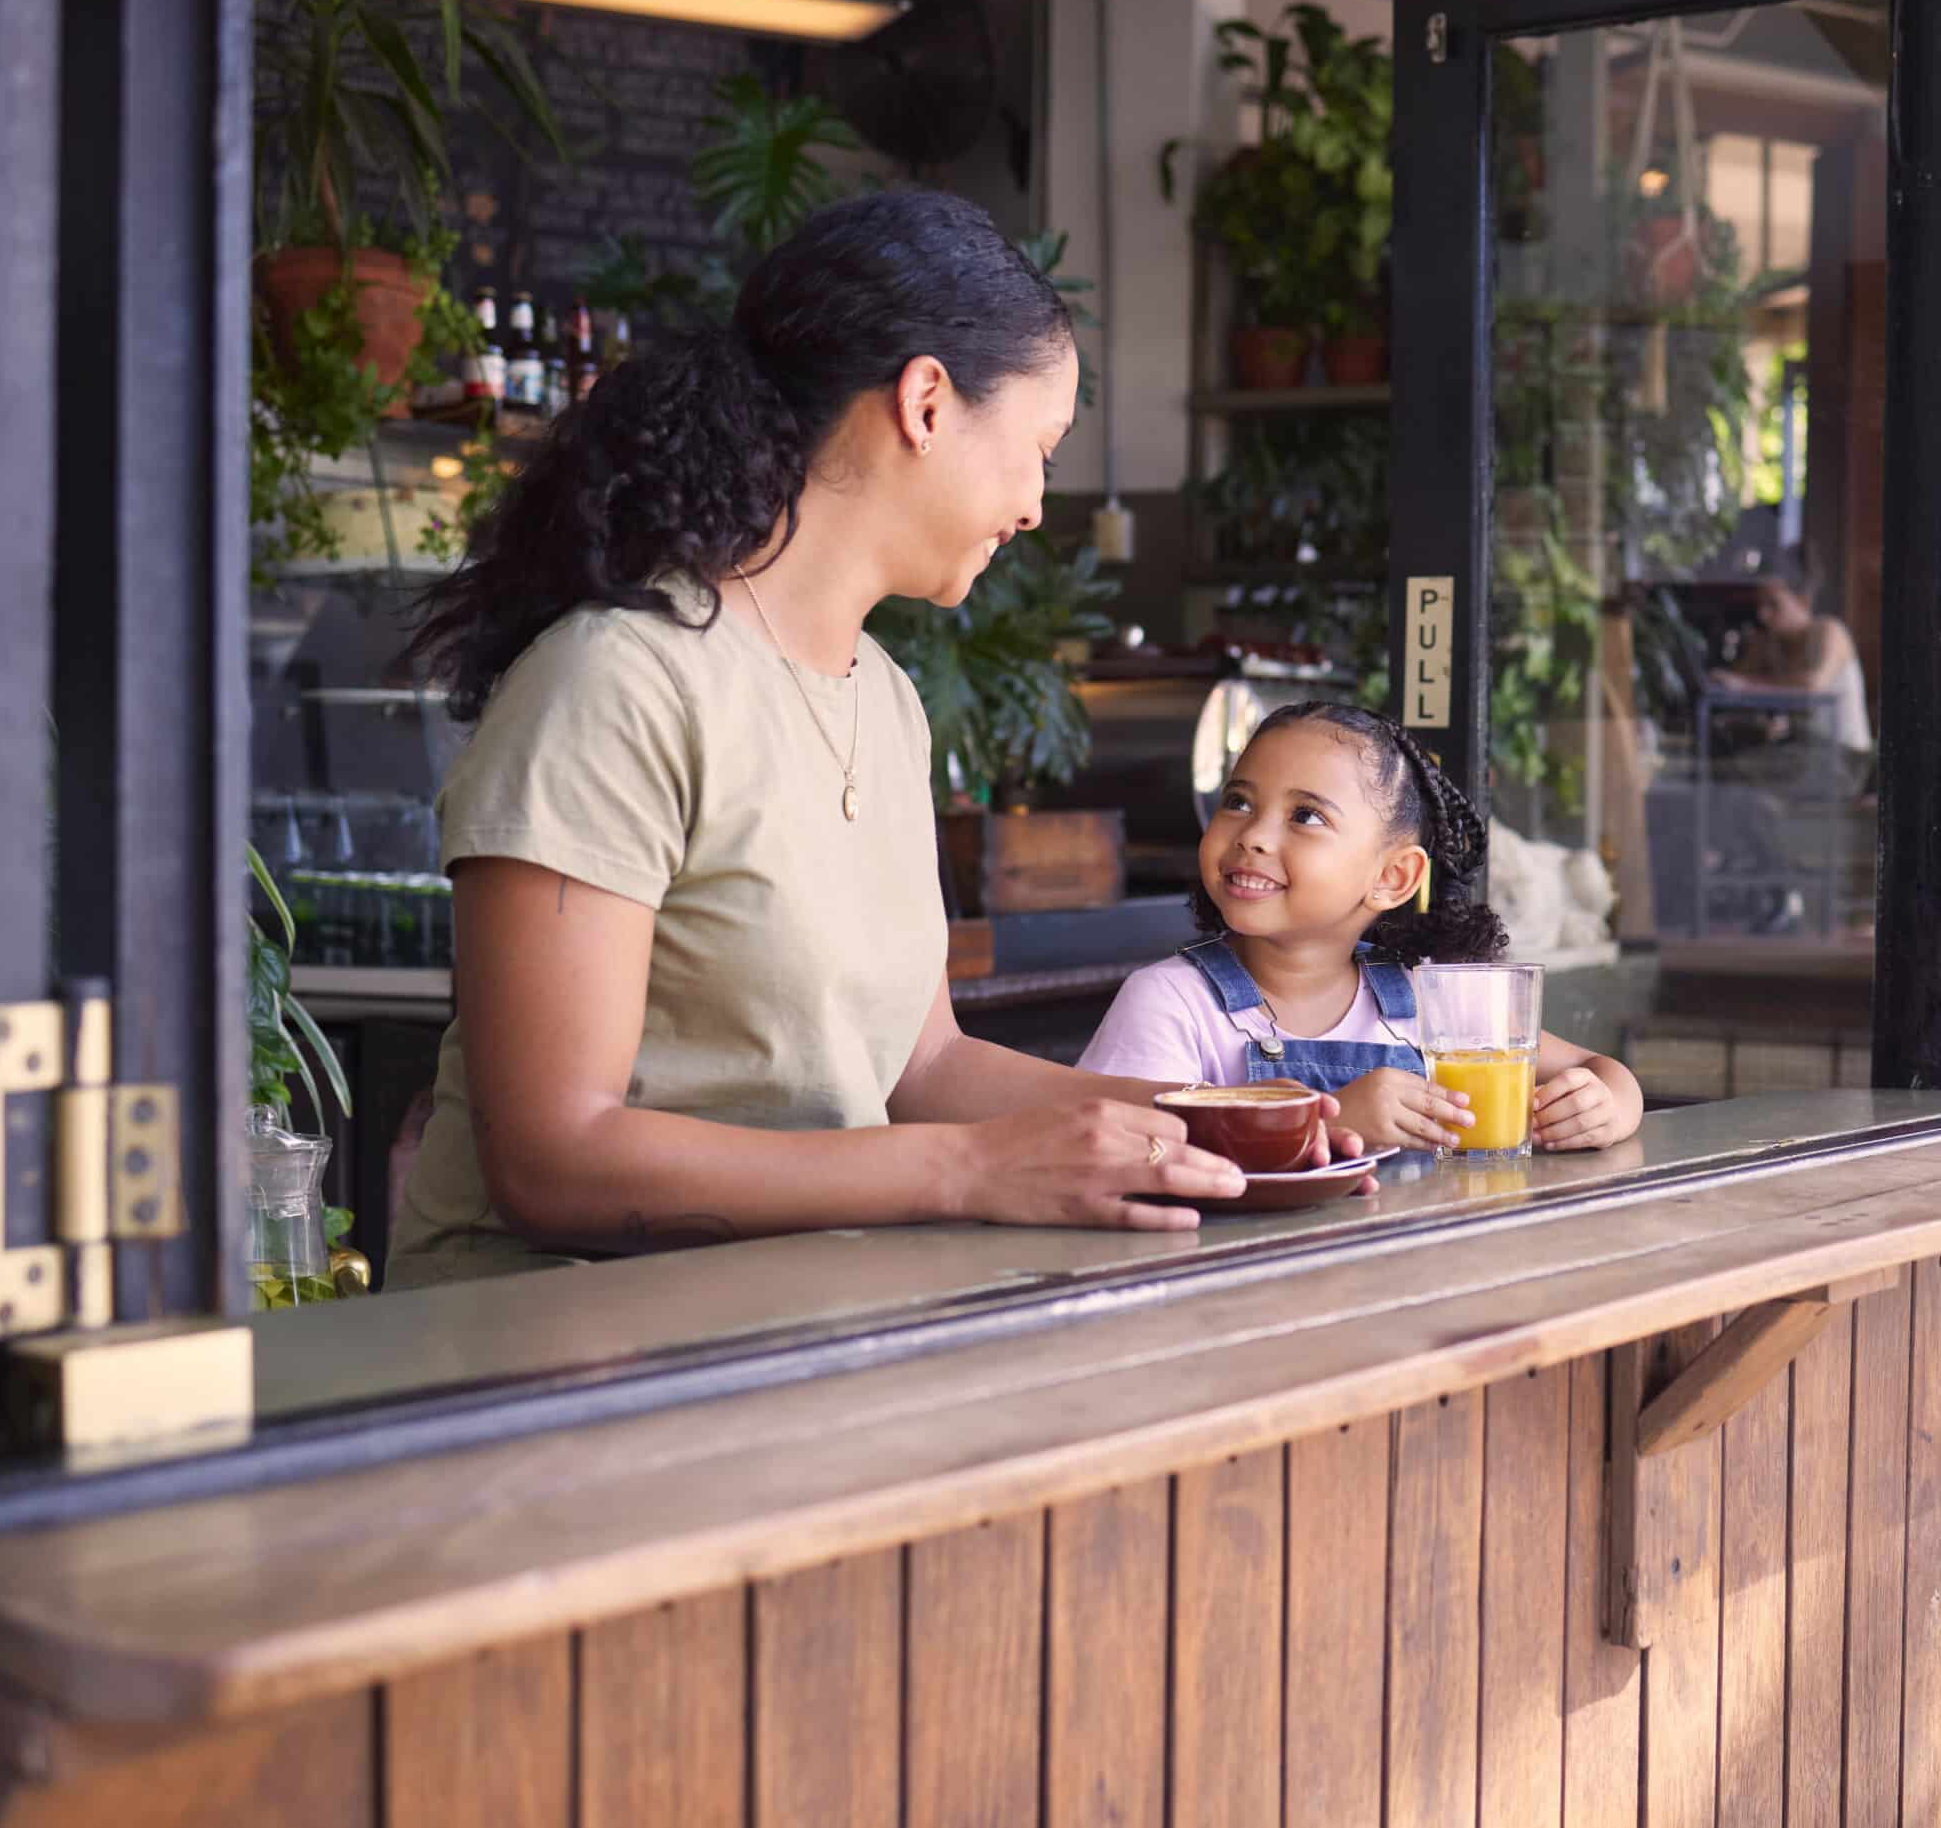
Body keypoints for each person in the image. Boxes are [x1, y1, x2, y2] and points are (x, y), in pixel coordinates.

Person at [388, 193, 1360, 1286]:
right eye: (1039, 448)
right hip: (548, 1366)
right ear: (927, 403)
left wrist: (1220, 1123)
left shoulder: (885, 699)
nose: (1039, 506)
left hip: (800, 1328)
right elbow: (555, 1159)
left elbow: (923, 1064)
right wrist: (966, 1171)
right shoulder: (615, 683)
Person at [1079, 704, 1646, 1155]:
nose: (1252, 835)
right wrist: (1328, 1124)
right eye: (1238, 801)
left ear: (1393, 876)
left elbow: (1598, 1070)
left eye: (1306, 816)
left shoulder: (1427, 1002)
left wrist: (1611, 1104)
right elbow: (1125, 1147)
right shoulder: (1173, 1002)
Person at [1708, 575, 1874, 764]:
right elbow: (1734, 681)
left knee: (1736, 773)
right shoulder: (1769, 641)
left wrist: (1746, 683)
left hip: (1844, 757)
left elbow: (1812, 685)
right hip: (1802, 751)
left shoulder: (1830, 631)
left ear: (1803, 602)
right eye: (1760, 605)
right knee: (1729, 766)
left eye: (1774, 605)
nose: (1763, 615)